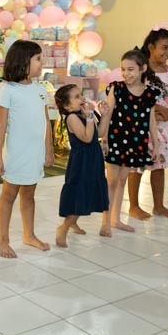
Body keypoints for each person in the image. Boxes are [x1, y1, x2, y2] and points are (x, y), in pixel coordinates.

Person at [0, 39, 54, 258]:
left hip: (35, 153)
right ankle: (3, 240)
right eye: (37, 59)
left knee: (29, 194)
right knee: (9, 195)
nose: (41, 63)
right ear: (23, 61)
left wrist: (49, 149)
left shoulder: (40, 89)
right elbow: (0, 127)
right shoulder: (8, 91)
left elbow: (46, 122)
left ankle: (29, 235)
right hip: (16, 154)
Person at [99, 50, 160, 233]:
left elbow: (151, 120)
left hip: (135, 141)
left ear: (143, 68)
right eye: (123, 69)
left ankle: (115, 219)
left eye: (131, 69)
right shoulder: (117, 88)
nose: (126, 73)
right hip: (116, 139)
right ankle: (105, 221)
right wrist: (104, 139)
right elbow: (108, 114)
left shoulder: (150, 93)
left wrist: (156, 144)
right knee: (111, 181)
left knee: (122, 180)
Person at [127, 26, 168, 220]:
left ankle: (158, 206)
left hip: (164, 126)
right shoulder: (141, 70)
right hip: (142, 125)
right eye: (164, 47)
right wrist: (158, 109)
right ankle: (133, 206)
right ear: (151, 47)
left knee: (159, 165)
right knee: (138, 166)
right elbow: (135, 95)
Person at [54, 84, 111, 244]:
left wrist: (104, 116)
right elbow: (86, 137)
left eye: (81, 94)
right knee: (80, 194)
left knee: (87, 191)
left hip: (93, 158)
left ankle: (73, 223)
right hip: (82, 161)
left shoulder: (83, 114)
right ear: (67, 106)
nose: (82, 98)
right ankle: (63, 228)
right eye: (77, 97)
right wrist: (90, 116)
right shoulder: (72, 118)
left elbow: (99, 133)